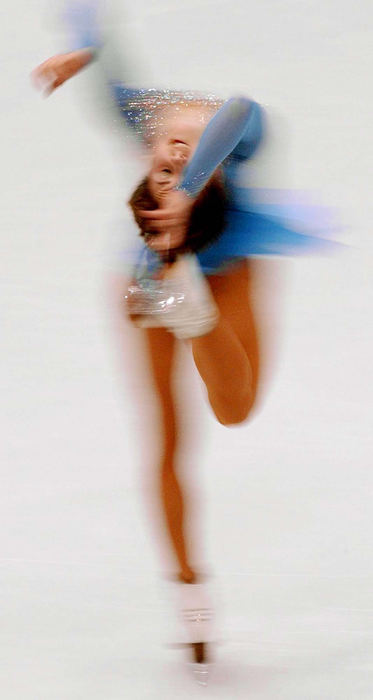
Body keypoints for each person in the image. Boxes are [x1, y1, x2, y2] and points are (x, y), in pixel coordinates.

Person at [31, 1, 336, 679]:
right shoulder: (193, 134)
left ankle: (193, 309)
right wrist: (85, 46)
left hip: (213, 259)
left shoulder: (214, 136)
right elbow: (104, 41)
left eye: (170, 173)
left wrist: (184, 194)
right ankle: (188, 589)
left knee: (233, 410)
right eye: (169, 169)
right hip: (159, 264)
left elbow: (242, 109)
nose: (172, 161)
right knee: (167, 438)